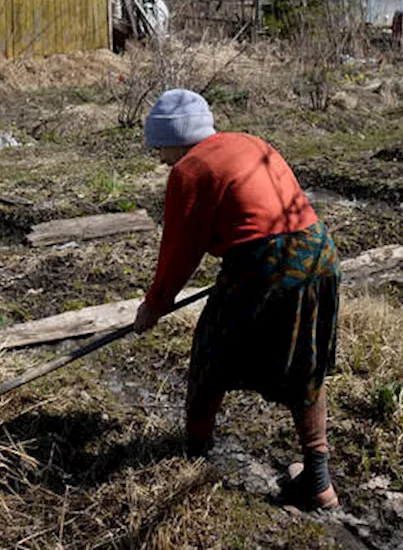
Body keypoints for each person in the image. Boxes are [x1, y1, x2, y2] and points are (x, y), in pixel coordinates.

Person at [133, 89, 341, 511]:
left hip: (268, 262)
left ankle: (194, 453)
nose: (160, 158)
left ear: (177, 137)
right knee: (307, 361)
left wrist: (154, 305)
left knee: (211, 352)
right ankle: (318, 481)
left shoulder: (190, 169)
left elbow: (179, 252)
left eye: (160, 146)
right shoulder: (249, 143)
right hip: (319, 252)